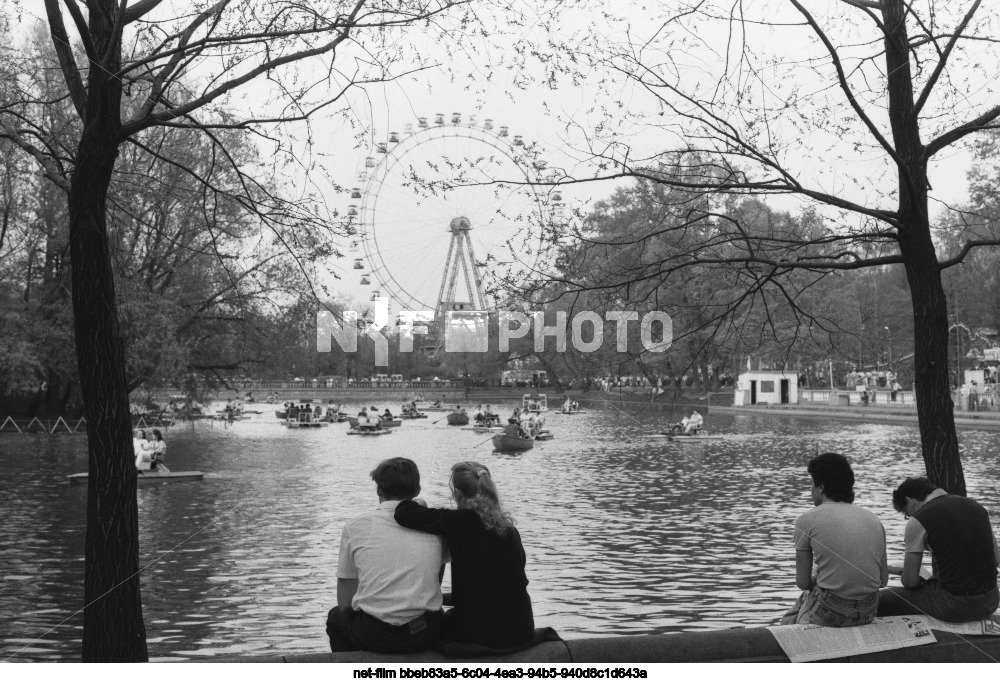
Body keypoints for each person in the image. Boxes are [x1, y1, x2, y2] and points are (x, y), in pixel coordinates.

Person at [394, 462, 535, 648]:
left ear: (458, 494)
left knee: (430, 625)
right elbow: (498, 589)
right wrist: (440, 597)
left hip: (478, 635)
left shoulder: (457, 522)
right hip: (522, 631)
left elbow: (403, 512)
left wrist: (420, 503)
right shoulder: (510, 531)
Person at [326, 458, 449, 653]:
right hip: (423, 633)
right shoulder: (436, 526)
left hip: (374, 635)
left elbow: (345, 604)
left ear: (378, 490)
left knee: (335, 618)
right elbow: (434, 581)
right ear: (417, 490)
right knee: (439, 615)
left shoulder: (355, 527)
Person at [780, 453, 887, 627]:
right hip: (869, 610)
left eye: (811, 484)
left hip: (831, 612)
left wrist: (816, 575)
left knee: (792, 616)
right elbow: (883, 579)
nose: (811, 490)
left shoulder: (806, 520)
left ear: (821, 487)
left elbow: (803, 583)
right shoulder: (874, 519)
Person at [876, 477, 1000, 622]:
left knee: (877, 601)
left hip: (953, 605)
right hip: (990, 602)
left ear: (909, 501)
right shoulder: (976, 507)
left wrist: (912, 578)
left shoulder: (918, 520)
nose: (908, 517)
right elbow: (996, 560)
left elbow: (909, 582)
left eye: (906, 513)